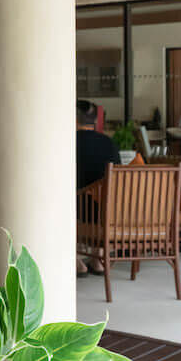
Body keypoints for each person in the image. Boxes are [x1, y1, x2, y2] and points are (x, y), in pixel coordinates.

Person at [76, 100, 120, 276]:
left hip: (80, 210)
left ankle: (77, 260)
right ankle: (97, 258)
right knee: (99, 195)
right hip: (107, 212)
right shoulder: (109, 143)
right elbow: (117, 179)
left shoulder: (69, 142)